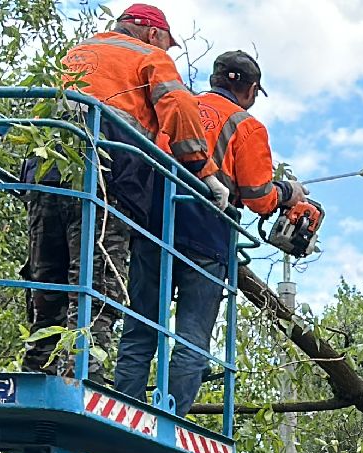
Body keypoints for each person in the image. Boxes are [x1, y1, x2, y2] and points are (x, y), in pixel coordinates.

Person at [22, 3, 226, 380]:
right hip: (107, 179)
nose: (167, 52)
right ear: (152, 33)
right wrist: (204, 172)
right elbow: (179, 106)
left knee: (45, 283)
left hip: (45, 175)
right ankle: (82, 379)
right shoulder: (150, 56)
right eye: (167, 43)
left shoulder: (78, 53)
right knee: (97, 287)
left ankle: (36, 376)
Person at [115, 50, 309, 413]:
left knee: (140, 326)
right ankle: (167, 419)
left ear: (214, 79)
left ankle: (126, 410)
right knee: (192, 338)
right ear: (251, 90)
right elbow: (258, 197)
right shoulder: (246, 126)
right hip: (207, 236)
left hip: (154, 225)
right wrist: (287, 192)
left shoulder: (174, 105)